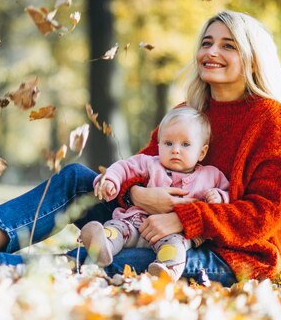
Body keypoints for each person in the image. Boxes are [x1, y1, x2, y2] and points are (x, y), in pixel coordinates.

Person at [0, 10, 281, 286]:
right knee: (78, 179)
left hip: (230, 256)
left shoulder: (270, 121)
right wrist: (138, 194)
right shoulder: (187, 111)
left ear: (251, 58)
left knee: (120, 257)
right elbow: (141, 166)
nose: (211, 52)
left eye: (228, 45)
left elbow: (264, 217)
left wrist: (183, 220)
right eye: (207, 42)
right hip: (149, 220)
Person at [80, 106, 229, 282]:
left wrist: (219, 196)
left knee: (176, 248)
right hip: (134, 223)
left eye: (185, 144)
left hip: (174, 235)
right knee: (117, 228)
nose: (175, 150)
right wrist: (111, 180)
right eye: (168, 143)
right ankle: (103, 245)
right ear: (158, 146)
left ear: (202, 152)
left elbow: (228, 201)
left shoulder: (211, 175)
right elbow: (124, 167)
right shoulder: (150, 163)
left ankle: (165, 269)